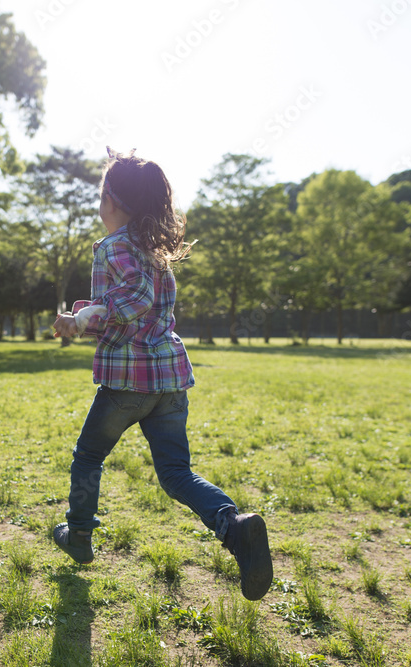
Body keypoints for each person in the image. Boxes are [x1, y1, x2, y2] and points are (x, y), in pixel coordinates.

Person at [51, 147, 273, 601]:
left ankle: (78, 538)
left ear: (112, 200)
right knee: (176, 474)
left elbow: (135, 299)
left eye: (101, 195)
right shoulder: (154, 252)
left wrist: (86, 316)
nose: (99, 204)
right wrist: (86, 315)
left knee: (88, 457)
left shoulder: (114, 247)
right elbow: (136, 300)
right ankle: (235, 527)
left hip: (127, 385)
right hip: (168, 381)